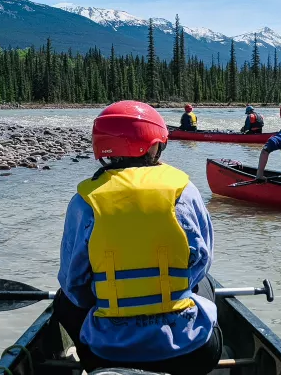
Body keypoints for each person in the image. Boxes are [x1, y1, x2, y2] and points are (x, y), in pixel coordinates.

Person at [54, 100, 219, 374]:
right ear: (154, 146)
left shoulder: (84, 202)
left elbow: (74, 285)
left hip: (105, 354)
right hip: (191, 353)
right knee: (208, 284)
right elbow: (201, 264)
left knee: (63, 298)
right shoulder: (184, 191)